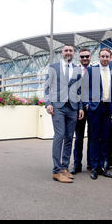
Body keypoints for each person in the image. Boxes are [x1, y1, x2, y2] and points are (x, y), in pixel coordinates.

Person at [44, 44, 85, 183]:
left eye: (71, 51)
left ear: (74, 53)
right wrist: (48, 103)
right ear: (62, 53)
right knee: (59, 135)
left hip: (73, 107)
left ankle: (64, 168)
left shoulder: (77, 69)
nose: (68, 52)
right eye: (66, 50)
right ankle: (56, 171)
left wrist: (80, 107)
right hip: (58, 107)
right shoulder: (53, 67)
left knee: (69, 138)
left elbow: (79, 90)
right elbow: (47, 87)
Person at [87, 48, 112, 180]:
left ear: (110, 57)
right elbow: (83, 88)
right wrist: (86, 103)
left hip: (108, 109)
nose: (105, 58)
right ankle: (94, 167)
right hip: (95, 108)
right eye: (102, 56)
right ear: (99, 57)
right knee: (94, 138)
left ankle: (102, 166)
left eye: (107, 56)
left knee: (105, 139)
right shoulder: (91, 70)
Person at [71, 48, 92, 174]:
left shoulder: (95, 70)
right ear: (79, 58)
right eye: (82, 57)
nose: (85, 58)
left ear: (90, 57)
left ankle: (91, 164)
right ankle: (77, 165)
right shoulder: (74, 71)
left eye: (87, 56)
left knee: (92, 137)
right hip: (79, 108)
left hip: (92, 108)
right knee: (79, 137)